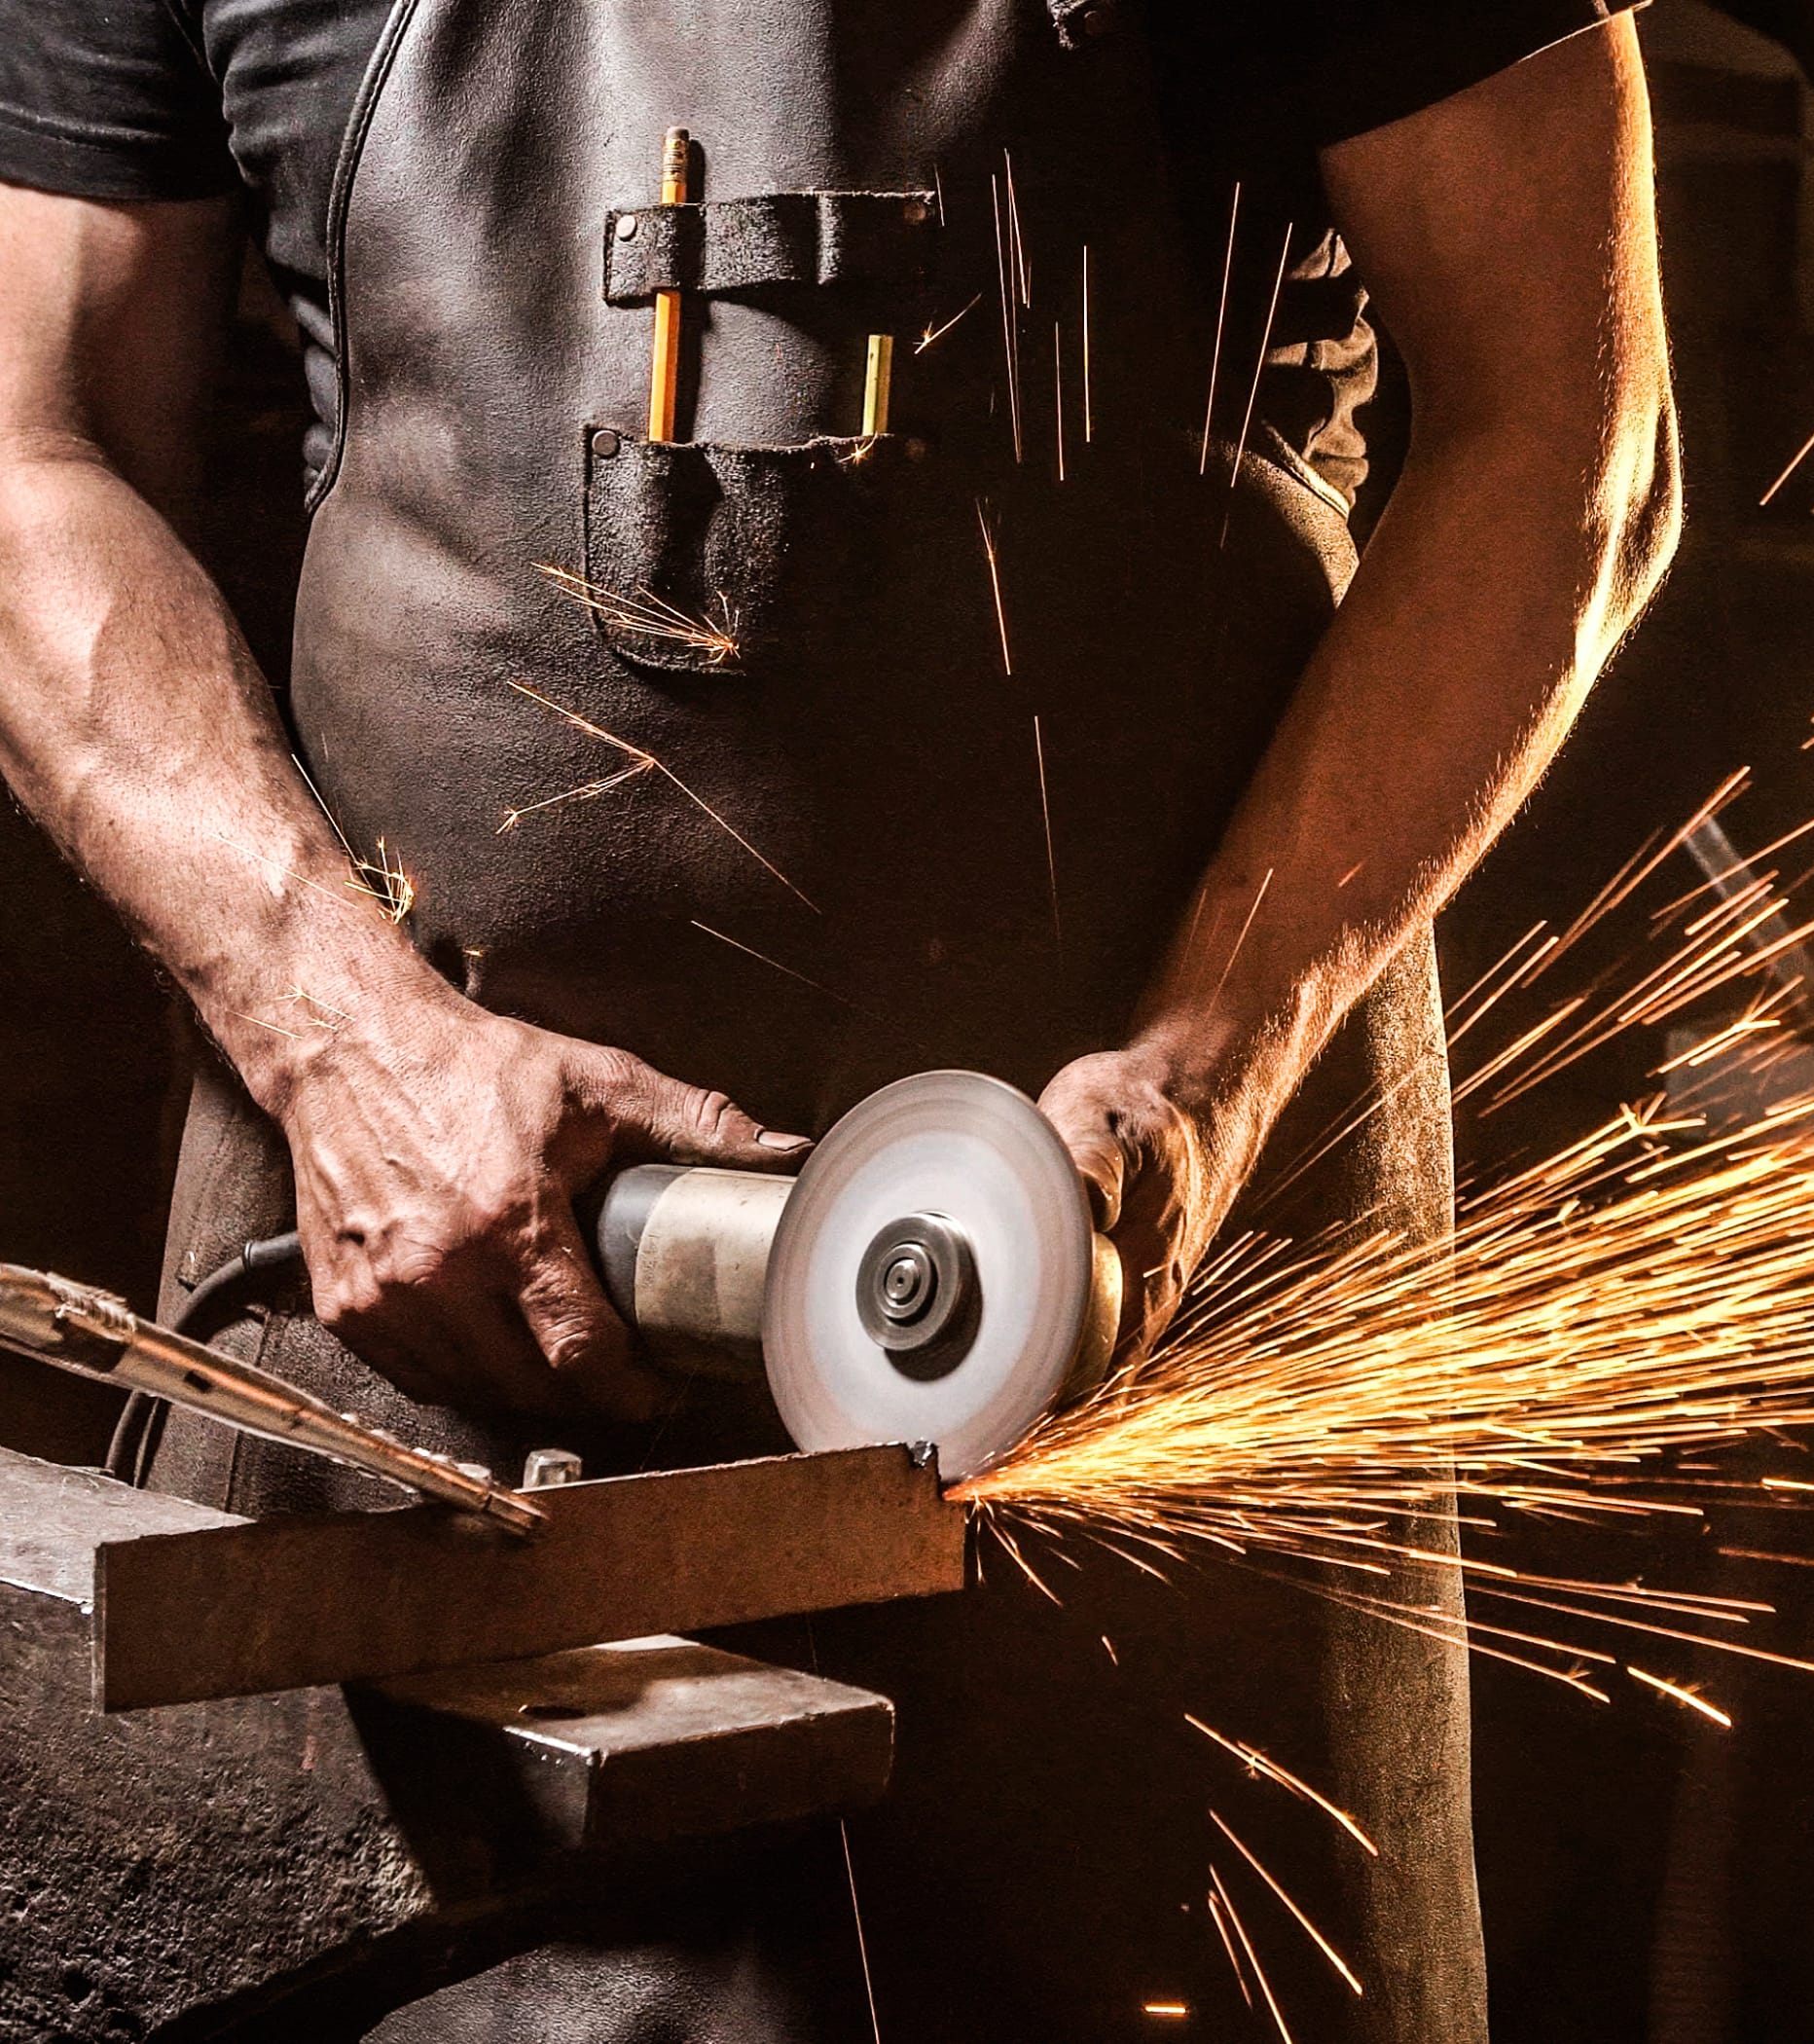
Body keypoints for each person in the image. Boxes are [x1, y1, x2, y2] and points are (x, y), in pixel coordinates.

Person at [0, 1, 1678, 2036]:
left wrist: (1206, 1075)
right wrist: (335, 1028)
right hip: (403, 1269)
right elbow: (32, 444)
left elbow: (1562, 430)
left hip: (1126, 1294)